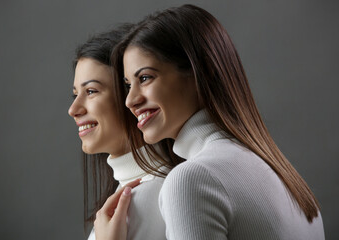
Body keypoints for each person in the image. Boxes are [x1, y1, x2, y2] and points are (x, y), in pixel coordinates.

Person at [112, 4, 325, 240]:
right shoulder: (287, 177)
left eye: (145, 78)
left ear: (202, 71)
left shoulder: (191, 180)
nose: (130, 100)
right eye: (129, 85)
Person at [68, 24, 182, 240]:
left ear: (132, 95)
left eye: (91, 91)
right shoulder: (130, 193)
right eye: (75, 95)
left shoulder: (146, 196)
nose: (73, 110)